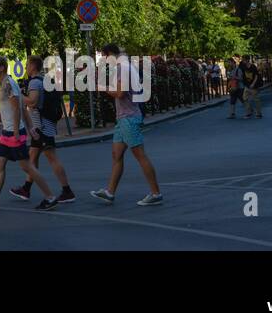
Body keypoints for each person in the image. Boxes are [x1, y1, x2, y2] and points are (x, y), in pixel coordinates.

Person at [0, 55, 57, 212]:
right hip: (8, 132)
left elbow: (16, 109)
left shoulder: (7, 84)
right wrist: (31, 127)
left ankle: (50, 197)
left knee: (27, 167)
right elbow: (21, 107)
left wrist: (16, 132)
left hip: (12, 133)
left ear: (1, 68)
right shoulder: (7, 83)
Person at [90, 44, 163, 206]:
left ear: (110, 54)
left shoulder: (123, 68)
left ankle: (156, 193)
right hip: (123, 119)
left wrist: (102, 87)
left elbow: (120, 93)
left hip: (129, 118)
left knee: (140, 155)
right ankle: (110, 192)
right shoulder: (125, 66)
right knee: (117, 155)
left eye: (104, 57)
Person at [11, 54, 75, 203]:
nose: (26, 68)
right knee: (32, 158)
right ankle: (26, 189)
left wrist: (18, 95)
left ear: (33, 66)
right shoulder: (43, 80)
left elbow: (32, 102)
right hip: (40, 126)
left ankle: (67, 191)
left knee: (52, 158)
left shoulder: (34, 82)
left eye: (27, 65)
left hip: (42, 127)